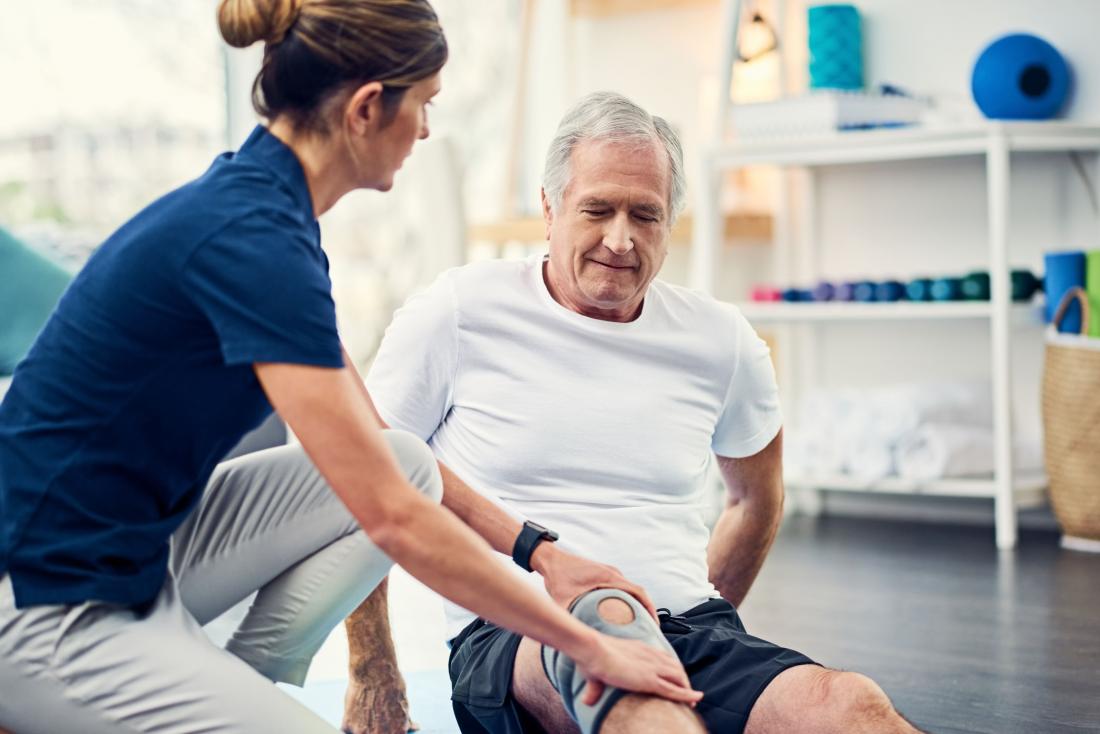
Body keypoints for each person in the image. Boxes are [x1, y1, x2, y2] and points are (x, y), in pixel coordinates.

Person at [0, 4, 701, 731]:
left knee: (406, 458)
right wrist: (587, 646)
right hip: (41, 595)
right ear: (369, 109)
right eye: (423, 104)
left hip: (133, 553)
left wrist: (539, 550)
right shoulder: (254, 245)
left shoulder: (267, 211)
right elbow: (391, 518)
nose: (426, 130)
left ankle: (234, 686)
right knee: (395, 486)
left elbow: (378, 448)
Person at [344, 91, 929, 734]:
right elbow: (362, 475)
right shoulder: (457, 312)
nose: (619, 240)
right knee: (625, 666)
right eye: (597, 210)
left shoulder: (722, 340)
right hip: (515, 638)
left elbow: (754, 501)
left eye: (645, 216)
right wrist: (373, 671)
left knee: (849, 706)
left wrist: (683, 614)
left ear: (670, 224)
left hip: (688, 627)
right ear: (549, 206)